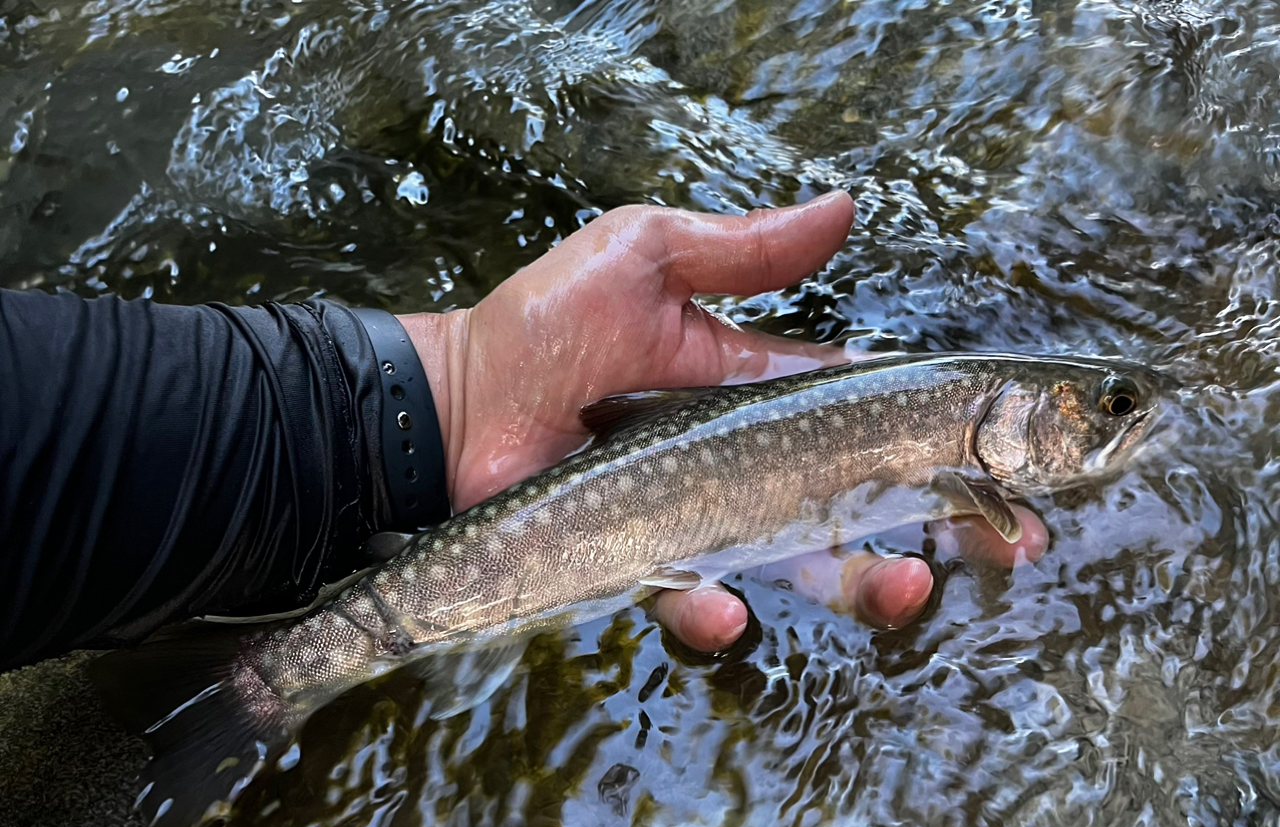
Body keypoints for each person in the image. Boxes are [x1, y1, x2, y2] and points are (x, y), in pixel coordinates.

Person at [0, 191, 1044, 674]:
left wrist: (444, 391)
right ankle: (261, 678)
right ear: (1000, 425)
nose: (1120, 424)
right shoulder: (966, 456)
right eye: (1111, 410)